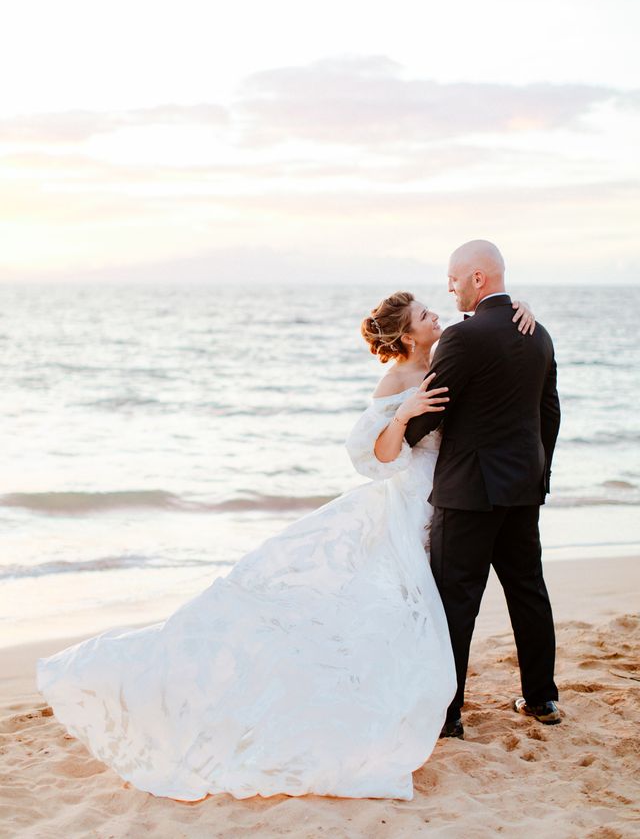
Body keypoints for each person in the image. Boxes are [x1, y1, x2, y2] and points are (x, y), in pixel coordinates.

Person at [36, 288, 535, 802]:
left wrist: (524, 309)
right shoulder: (395, 381)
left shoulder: (450, 352)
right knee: (392, 607)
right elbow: (380, 455)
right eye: (426, 314)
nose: (438, 315)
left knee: (415, 611)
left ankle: (424, 702)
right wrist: (404, 414)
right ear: (407, 335)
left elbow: (488, 330)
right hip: (412, 499)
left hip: (448, 496)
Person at [403, 240, 562, 740]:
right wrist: (539, 471)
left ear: (477, 278)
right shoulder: (538, 335)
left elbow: (432, 406)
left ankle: (448, 716)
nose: (449, 288)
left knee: (455, 601)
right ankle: (541, 698)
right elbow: (549, 413)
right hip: (522, 486)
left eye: (453, 278)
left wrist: (398, 438)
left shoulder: (463, 339)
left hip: (468, 490)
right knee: (528, 592)